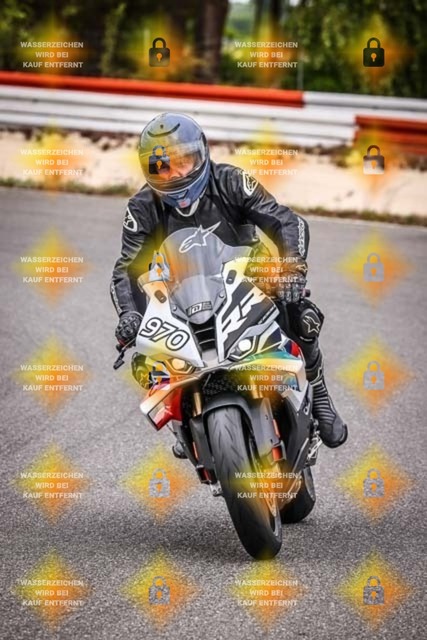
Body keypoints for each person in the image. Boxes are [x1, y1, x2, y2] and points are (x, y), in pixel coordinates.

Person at [111, 112, 347, 449]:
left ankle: (318, 390)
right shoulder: (141, 207)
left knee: (302, 315)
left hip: (249, 277)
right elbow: (127, 269)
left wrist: (291, 269)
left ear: (202, 154)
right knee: (146, 357)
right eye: (163, 167)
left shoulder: (231, 181)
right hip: (181, 294)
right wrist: (130, 315)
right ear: (149, 170)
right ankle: (183, 420)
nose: (176, 174)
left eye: (184, 161)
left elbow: (286, 221)